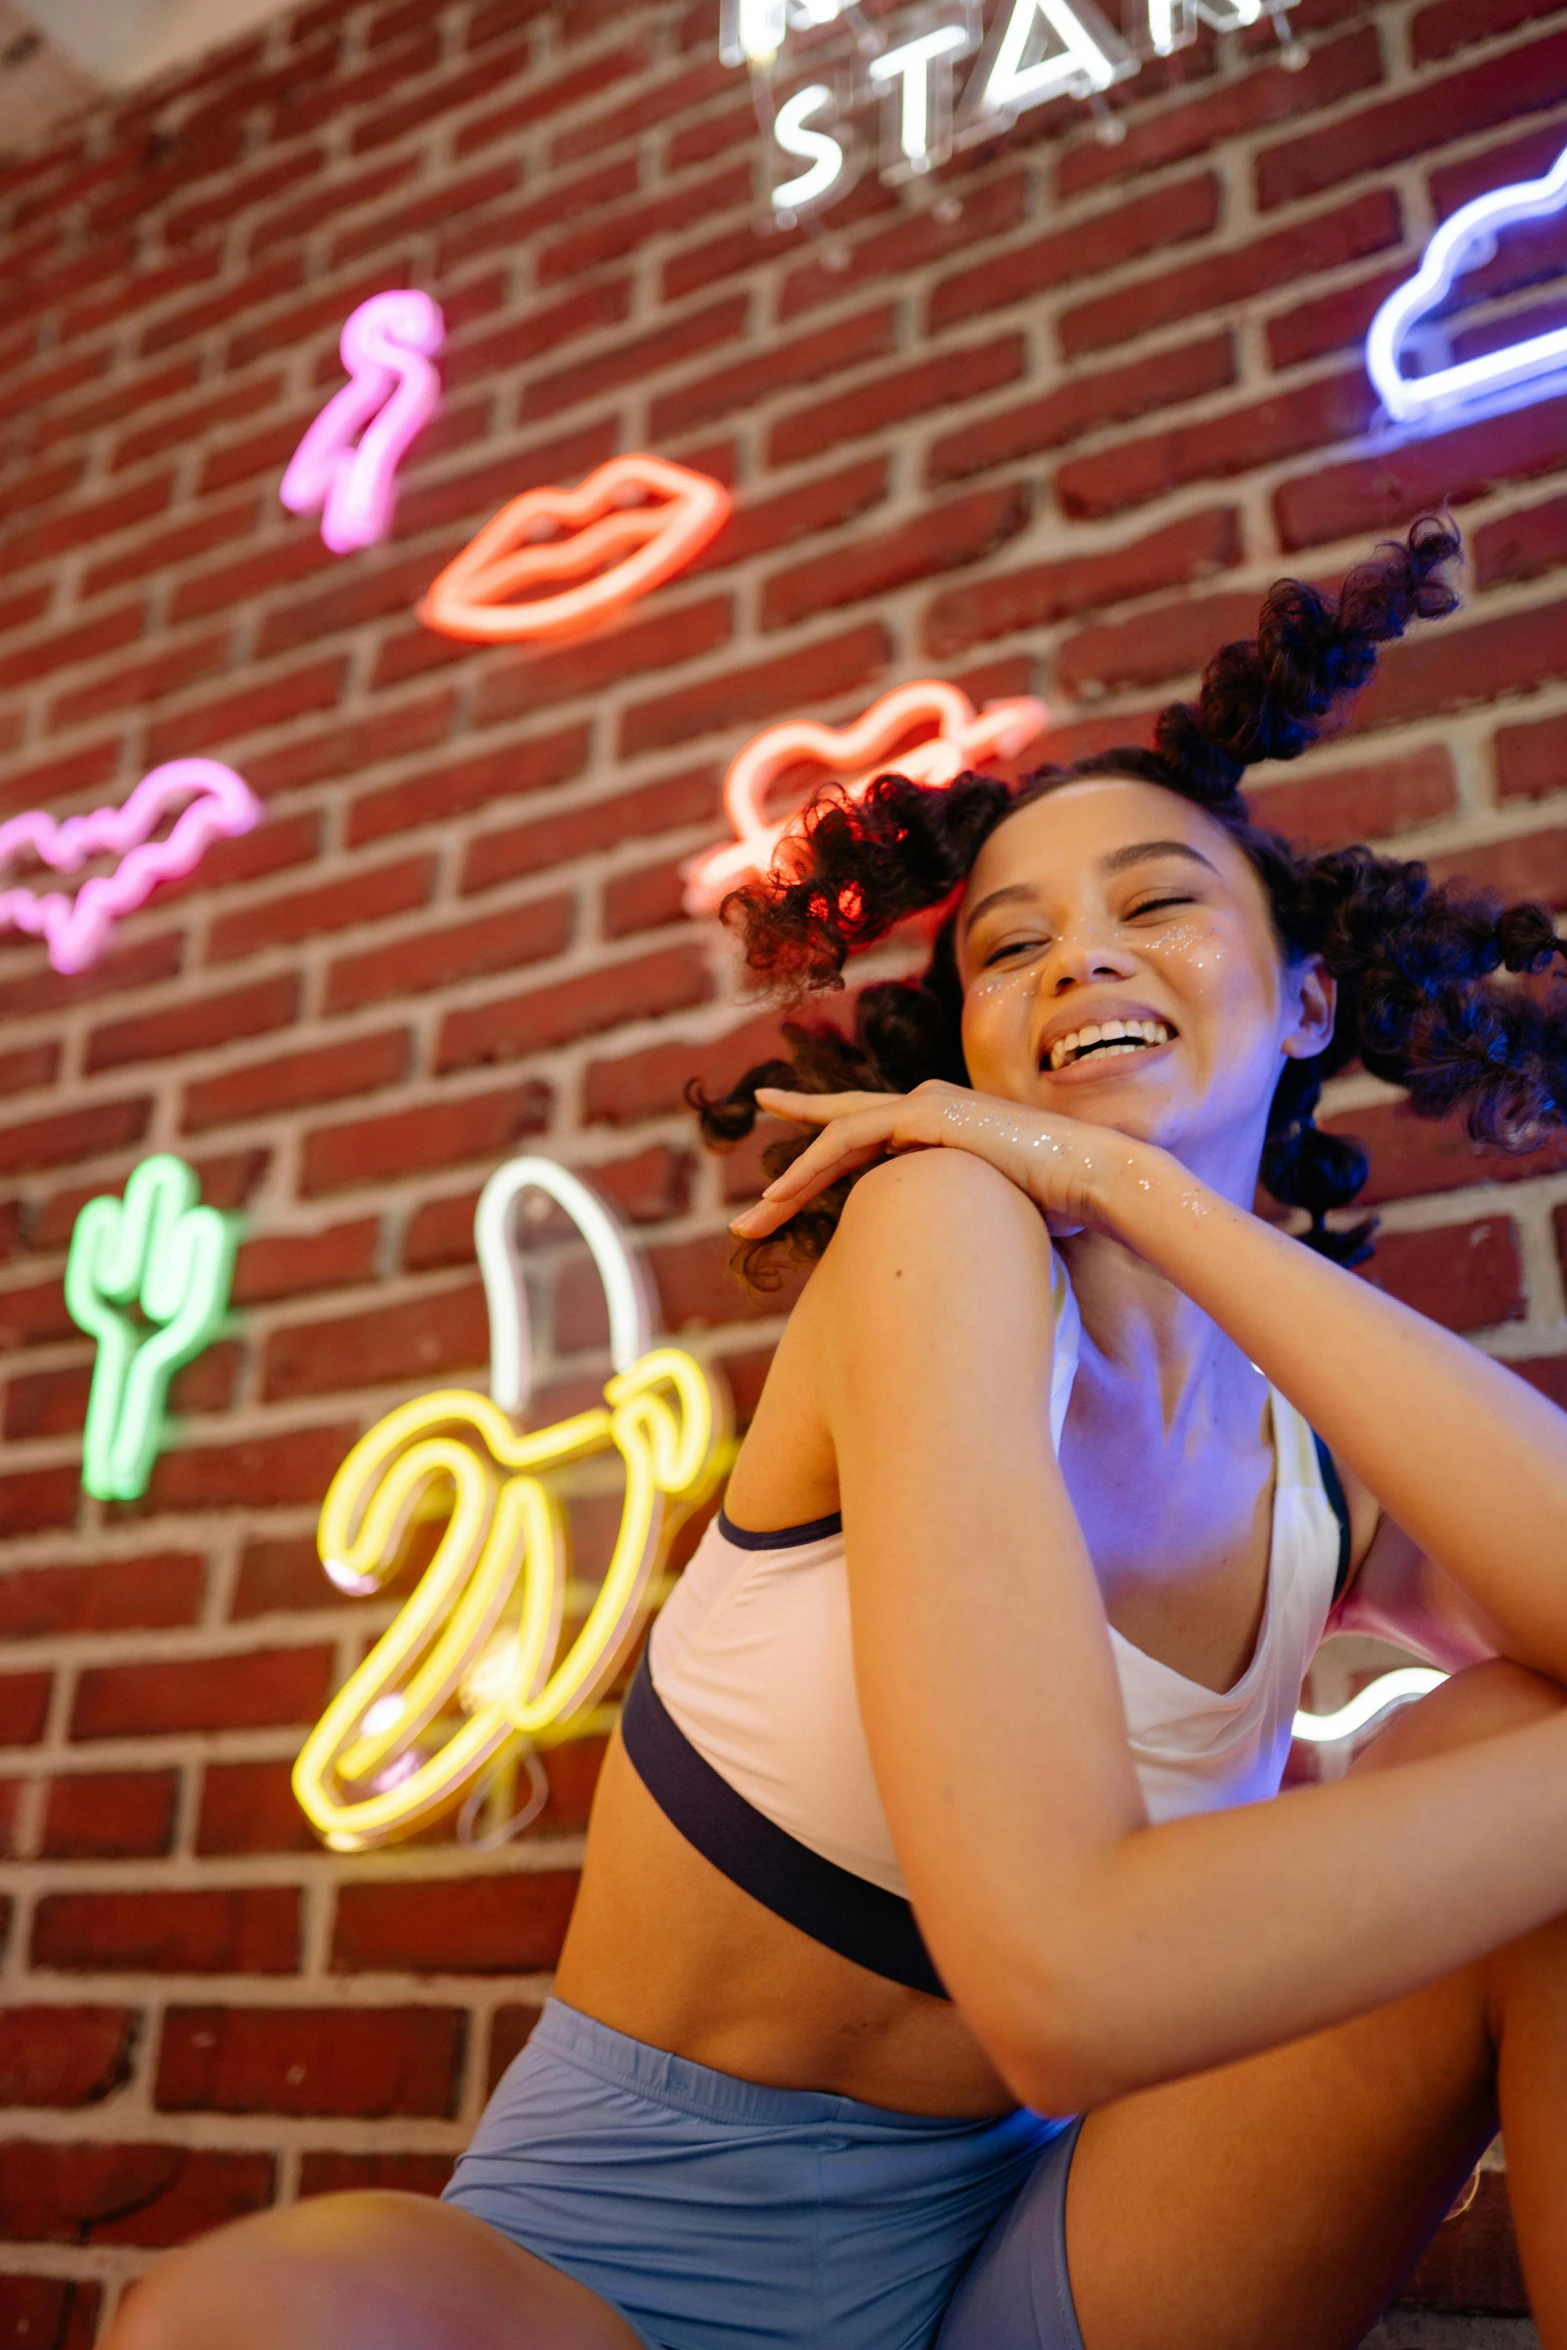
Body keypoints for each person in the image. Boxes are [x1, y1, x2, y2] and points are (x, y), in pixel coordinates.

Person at [110, 516, 1567, 2350]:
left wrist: (1151, 1192)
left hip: (1051, 2259)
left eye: (1157, 903)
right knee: (232, 2317)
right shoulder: (939, 1229)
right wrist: (1066, 1175)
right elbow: (1058, 1976)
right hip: (624, 2269)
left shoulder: (1314, 1472)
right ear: (961, 1043)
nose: (1075, 960)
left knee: (1515, 1734)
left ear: (1309, 1001)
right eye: (1009, 942)